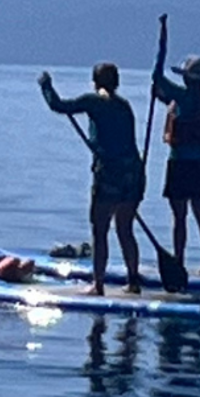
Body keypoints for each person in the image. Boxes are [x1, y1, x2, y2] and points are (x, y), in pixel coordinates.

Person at [38, 63, 144, 295]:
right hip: (133, 174)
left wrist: (46, 86)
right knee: (125, 228)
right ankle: (133, 281)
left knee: (100, 229)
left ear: (95, 82)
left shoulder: (94, 101)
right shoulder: (124, 106)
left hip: (109, 174)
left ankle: (98, 285)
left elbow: (59, 106)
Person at [152, 52, 200, 275]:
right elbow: (175, 102)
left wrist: (161, 50)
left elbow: (159, 78)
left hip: (181, 163)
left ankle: (179, 260)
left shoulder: (183, 97)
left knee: (180, 215)